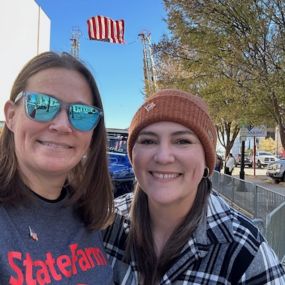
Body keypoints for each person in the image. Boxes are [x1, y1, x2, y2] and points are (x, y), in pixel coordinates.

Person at [103, 89, 285, 284]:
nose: (164, 157)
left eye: (182, 141)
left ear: (207, 160)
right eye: (148, 141)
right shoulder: (104, 225)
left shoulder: (246, 251)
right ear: (132, 155)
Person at [0, 51, 114, 284]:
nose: (62, 125)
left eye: (81, 113)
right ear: (11, 116)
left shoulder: (90, 211)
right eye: (42, 104)